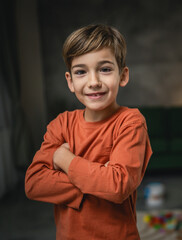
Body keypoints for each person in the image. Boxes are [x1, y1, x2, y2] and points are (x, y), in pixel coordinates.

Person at [24, 24, 152, 240]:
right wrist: (99, 179)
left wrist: (63, 159)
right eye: (81, 72)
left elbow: (117, 186)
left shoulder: (130, 122)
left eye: (105, 69)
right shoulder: (61, 125)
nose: (94, 82)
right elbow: (34, 183)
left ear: (123, 75)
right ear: (70, 81)